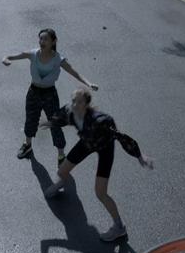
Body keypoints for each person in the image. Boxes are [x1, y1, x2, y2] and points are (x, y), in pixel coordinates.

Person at [42, 88, 155, 241]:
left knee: (100, 193)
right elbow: (60, 118)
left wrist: (139, 156)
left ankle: (119, 227)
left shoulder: (101, 121)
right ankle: (61, 182)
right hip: (87, 142)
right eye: (73, 100)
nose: (74, 104)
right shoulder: (71, 112)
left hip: (104, 148)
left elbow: (121, 137)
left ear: (87, 104)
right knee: (62, 172)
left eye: (79, 102)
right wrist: (47, 123)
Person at [3, 28, 99, 165]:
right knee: (30, 119)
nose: (42, 41)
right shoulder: (33, 54)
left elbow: (74, 72)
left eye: (45, 39)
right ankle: (27, 145)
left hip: (50, 94)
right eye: (40, 38)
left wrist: (89, 83)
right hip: (33, 92)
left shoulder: (58, 59)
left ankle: (61, 156)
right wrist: (5, 59)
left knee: (54, 124)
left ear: (53, 41)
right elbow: (10, 56)